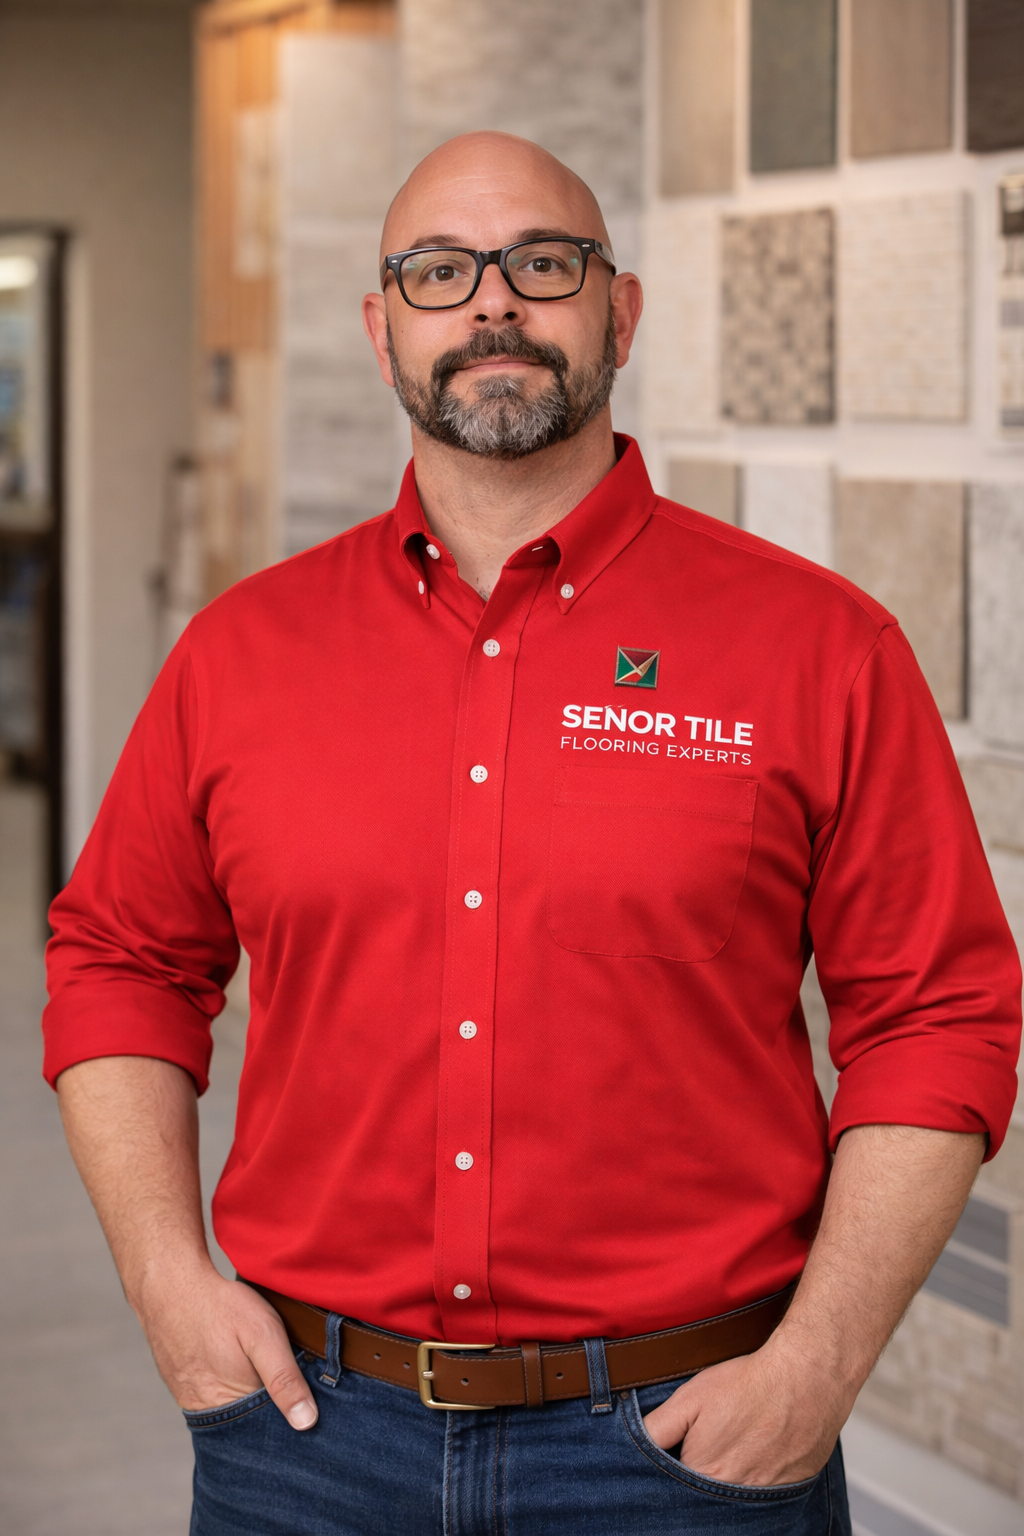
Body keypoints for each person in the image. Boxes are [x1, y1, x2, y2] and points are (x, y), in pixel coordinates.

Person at [45, 132, 1020, 1536]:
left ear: (621, 312)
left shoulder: (821, 648)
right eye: (440, 271)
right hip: (306, 1446)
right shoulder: (240, 654)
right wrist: (165, 1283)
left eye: (544, 264)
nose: (493, 302)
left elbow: (939, 1016)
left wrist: (817, 1365)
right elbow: (119, 962)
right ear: (382, 327)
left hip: (686, 1455)